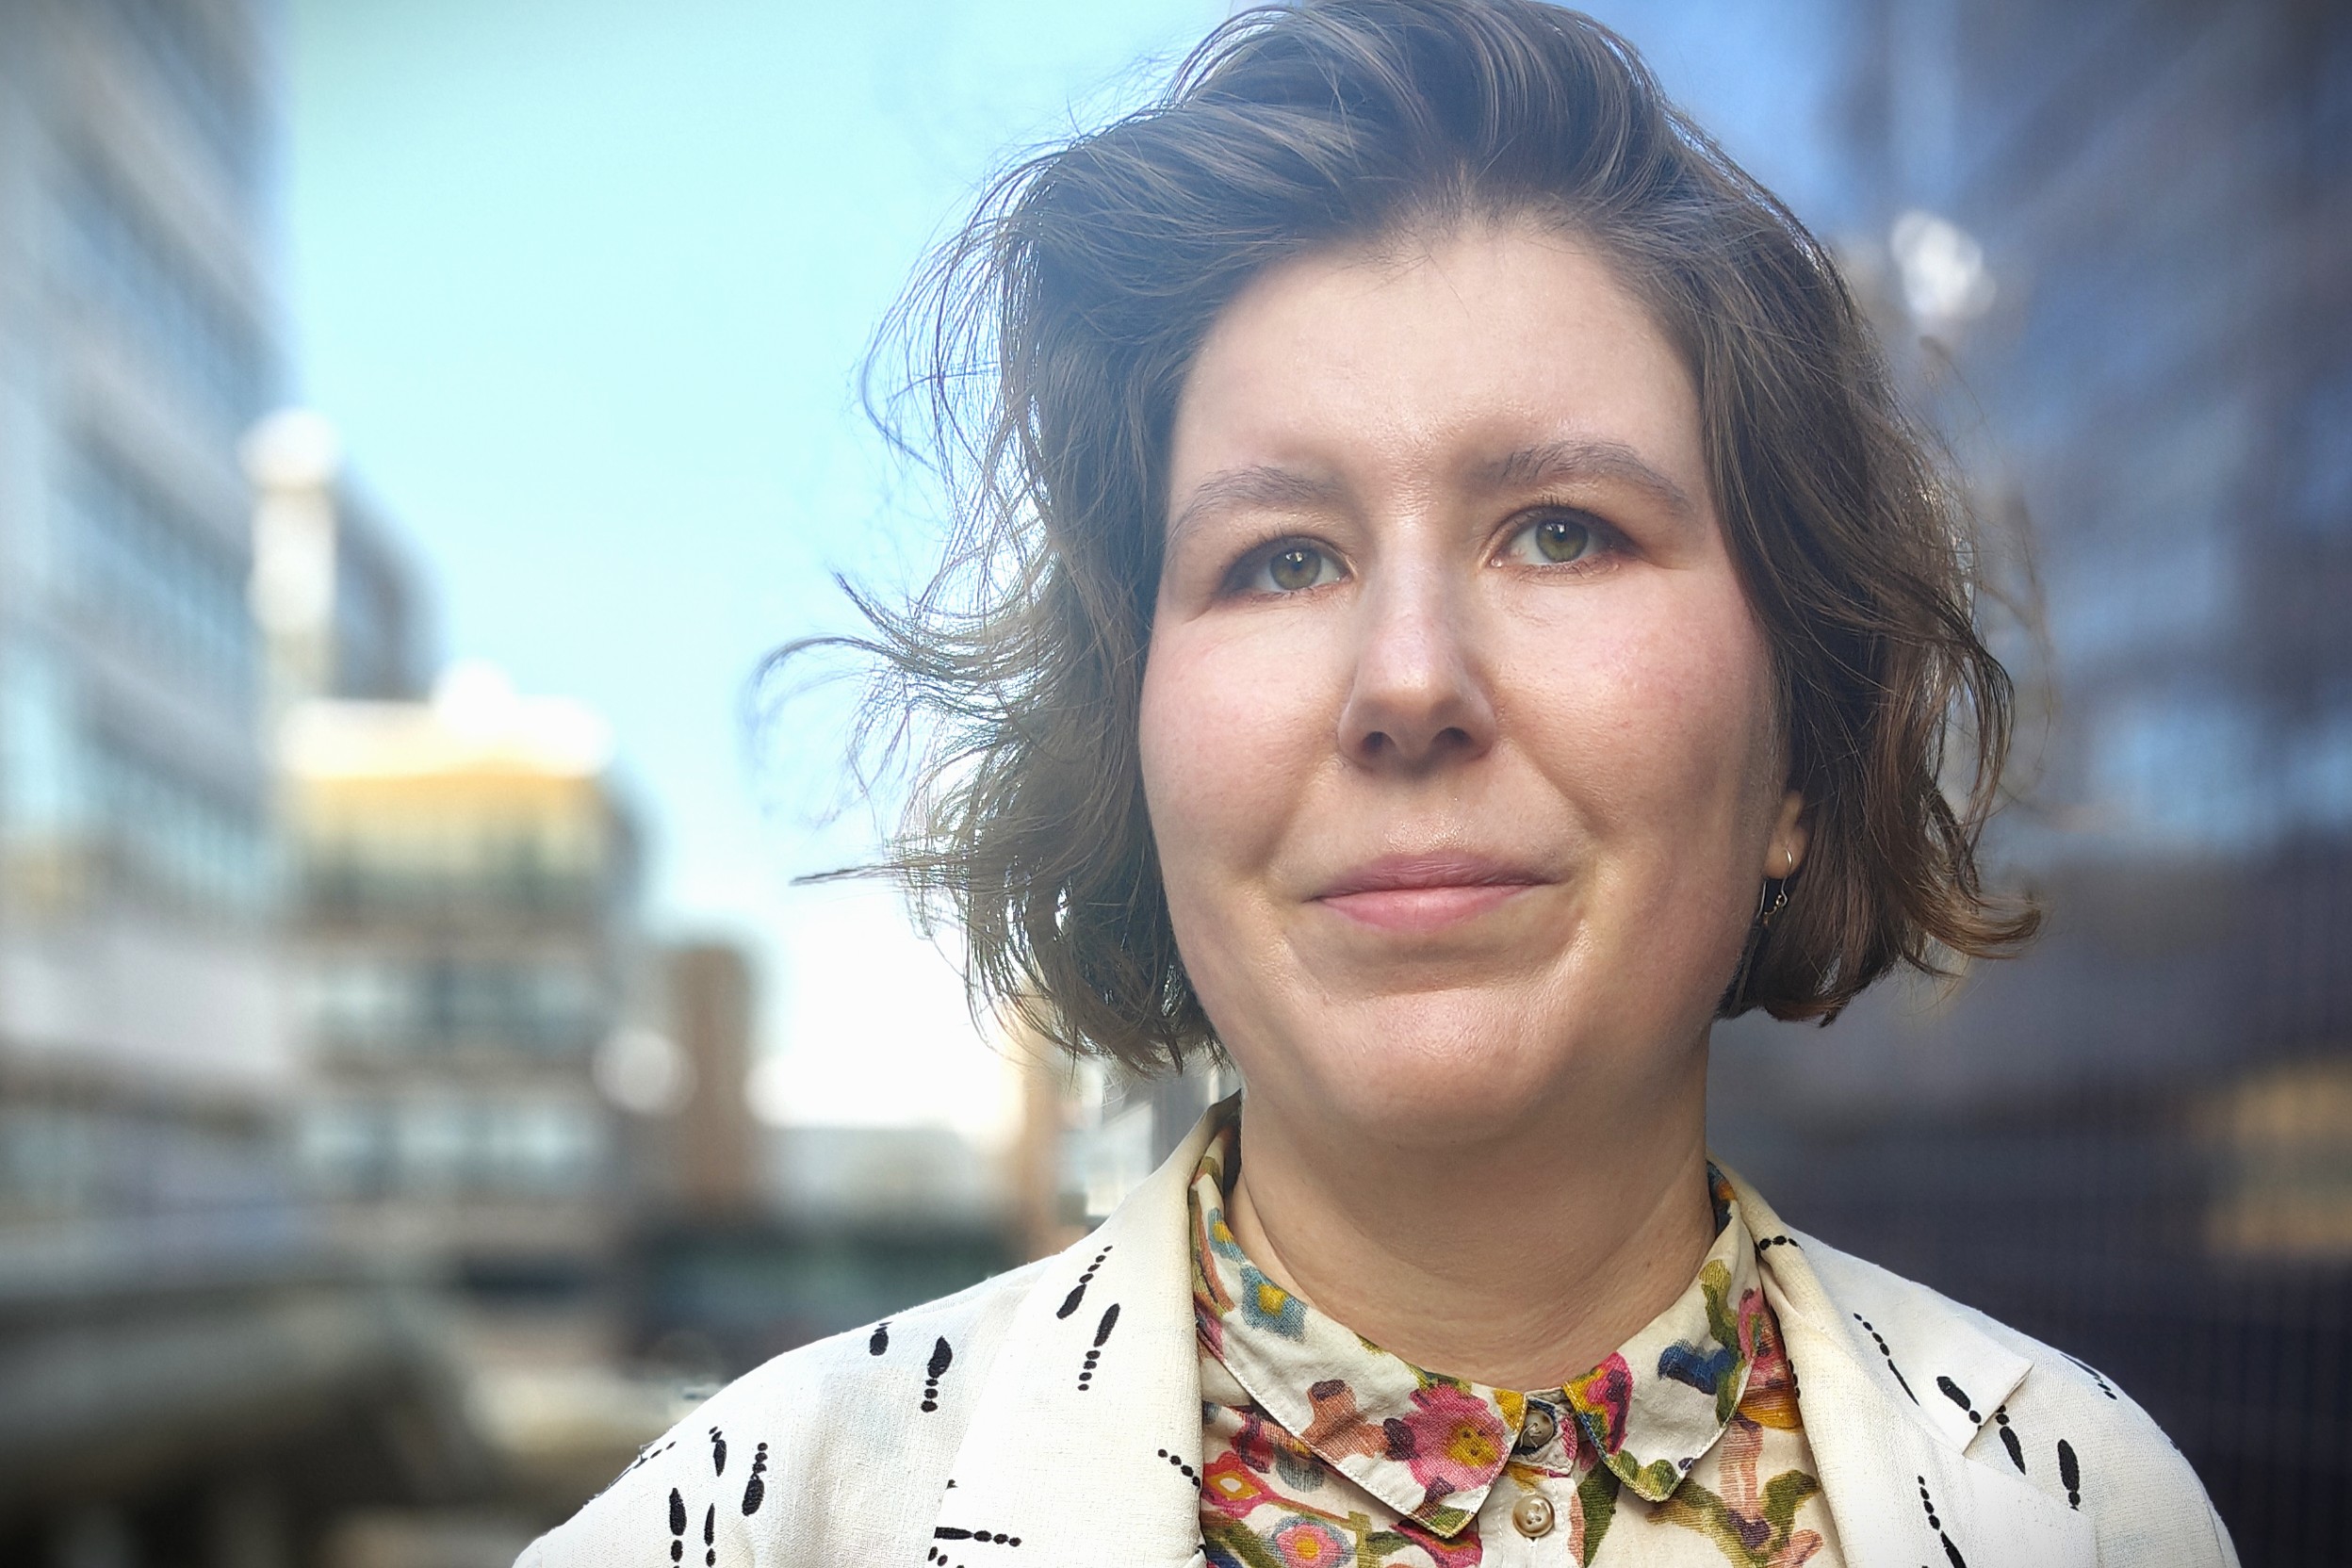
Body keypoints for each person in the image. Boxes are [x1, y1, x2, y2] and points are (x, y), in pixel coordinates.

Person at [522, 3, 2236, 1563]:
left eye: (1561, 532)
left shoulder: (2096, 1512)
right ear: (1138, 748)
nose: (1409, 682)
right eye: (1280, 559)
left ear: (1799, 743)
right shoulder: (766, 1523)